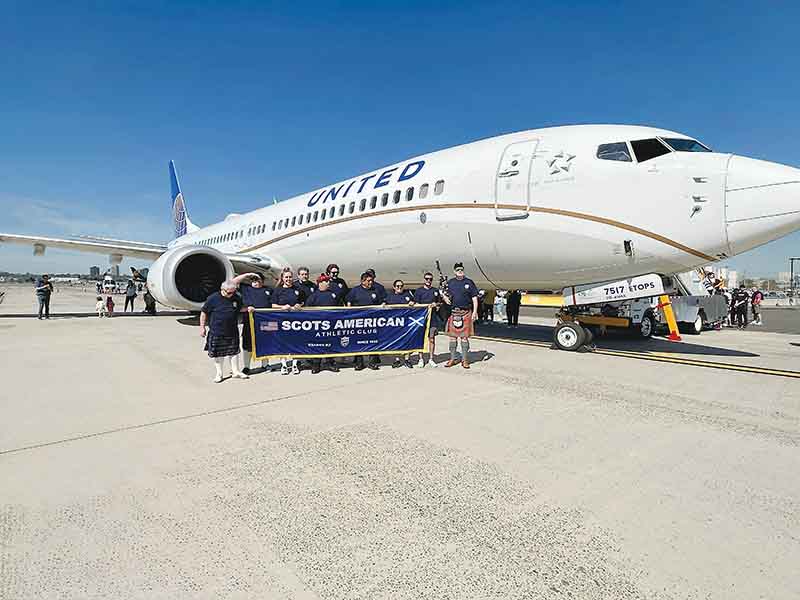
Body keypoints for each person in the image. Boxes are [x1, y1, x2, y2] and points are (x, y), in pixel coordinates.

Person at [200, 280, 249, 383]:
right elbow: (204, 313)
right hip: (217, 330)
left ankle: (235, 371)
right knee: (218, 353)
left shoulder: (236, 297)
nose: (231, 295)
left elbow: (240, 308)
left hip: (232, 330)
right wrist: (202, 327)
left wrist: (248, 309)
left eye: (233, 292)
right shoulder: (213, 298)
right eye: (229, 293)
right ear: (223, 290)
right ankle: (219, 373)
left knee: (234, 351)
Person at [443, 262, 479, 368]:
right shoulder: (450, 283)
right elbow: (445, 294)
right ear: (454, 271)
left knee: (464, 338)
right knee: (452, 338)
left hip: (466, 313)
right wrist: (444, 297)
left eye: (461, 269)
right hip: (454, 313)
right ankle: (452, 359)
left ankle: (464, 360)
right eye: (458, 269)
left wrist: (475, 311)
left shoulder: (469, 282)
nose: (460, 271)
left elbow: (474, 298)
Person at [346, 271, 383, 370]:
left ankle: (372, 362)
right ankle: (359, 363)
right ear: (363, 281)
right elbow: (348, 301)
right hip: (359, 321)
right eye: (368, 281)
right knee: (358, 342)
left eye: (371, 280)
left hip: (372, 321)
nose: (371, 282)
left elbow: (381, 302)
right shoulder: (355, 290)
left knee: (373, 341)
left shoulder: (375, 290)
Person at [304, 274, 341, 374]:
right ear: (320, 283)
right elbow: (307, 311)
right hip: (318, 327)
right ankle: (316, 363)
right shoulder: (313, 296)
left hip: (332, 325)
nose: (328, 283)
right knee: (317, 345)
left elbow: (340, 307)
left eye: (328, 281)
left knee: (331, 344)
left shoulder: (333, 294)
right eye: (326, 281)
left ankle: (329, 362)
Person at [238, 272, 273, 374]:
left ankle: (265, 365)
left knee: (266, 343)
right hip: (249, 321)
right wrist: (246, 275)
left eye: (258, 280)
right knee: (247, 344)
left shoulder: (268, 290)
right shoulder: (245, 289)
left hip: (266, 321)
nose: (255, 282)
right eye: (253, 280)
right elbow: (233, 281)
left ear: (262, 281)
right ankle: (246, 367)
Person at [273, 267, 303, 374]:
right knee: (282, 342)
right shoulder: (278, 290)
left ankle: (295, 364)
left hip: (295, 320)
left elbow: (302, 302)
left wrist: (299, 305)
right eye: (286, 277)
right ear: (282, 278)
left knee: (296, 342)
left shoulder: (297, 289)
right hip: (282, 320)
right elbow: (273, 305)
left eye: (290, 277)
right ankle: (284, 365)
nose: (288, 279)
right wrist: (281, 307)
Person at [413, 272, 443, 367]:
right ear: (424, 280)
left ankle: (431, 358)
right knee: (420, 339)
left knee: (432, 339)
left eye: (430, 279)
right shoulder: (419, 291)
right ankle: (421, 359)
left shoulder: (435, 291)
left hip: (432, 318)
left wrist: (436, 305)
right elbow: (416, 305)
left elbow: (439, 304)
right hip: (422, 318)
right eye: (427, 279)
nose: (428, 281)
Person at [385, 279, 416, 369]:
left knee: (407, 341)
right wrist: (383, 304)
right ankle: (397, 359)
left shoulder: (407, 295)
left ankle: (407, 359)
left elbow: (415, 303)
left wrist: (413, 303)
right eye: (398, 286)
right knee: (396, 342)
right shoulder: (390, 296)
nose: (400, 288)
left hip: (406, 323)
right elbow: (384, 304)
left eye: (401, 286)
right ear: (394, 287)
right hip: (394, 324)